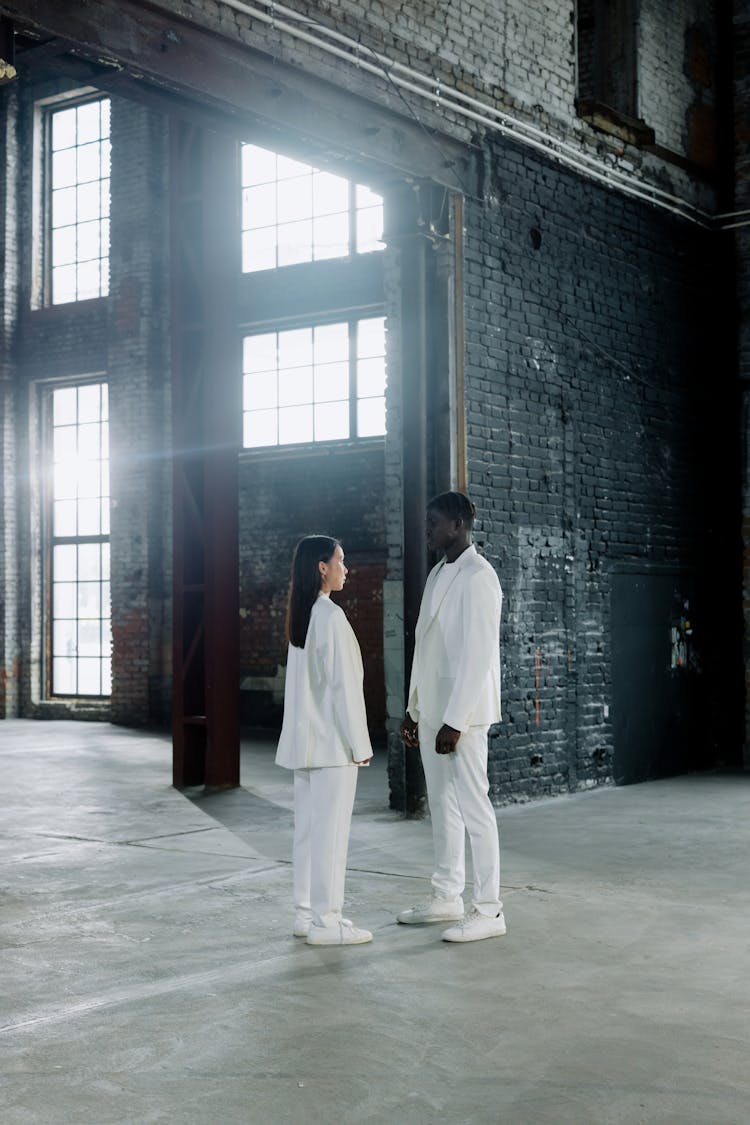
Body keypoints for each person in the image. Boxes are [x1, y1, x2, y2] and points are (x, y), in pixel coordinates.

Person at [398, 491, 505, 943]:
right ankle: (447, 897)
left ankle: (489, 910)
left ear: (458, 524)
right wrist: (414, 708)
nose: (427, 529)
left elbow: (477, 655)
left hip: (462, 716)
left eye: (434, 521)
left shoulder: (480, 576)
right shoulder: (439, 573)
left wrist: (456, 720)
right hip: (433, 712)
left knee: (474, 808)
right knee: (442, 805)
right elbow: (426, 647)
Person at [276, 535, 374, 946]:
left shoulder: (301, 617)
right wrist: (360, 745)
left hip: (305, 744)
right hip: (333, 746)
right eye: (341, 559)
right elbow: (343, 689)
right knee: (331, 835)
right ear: (322, 567)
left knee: (309, 832)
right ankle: (327, 922)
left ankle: (306, 913)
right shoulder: (330, 617)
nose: (345, 568)